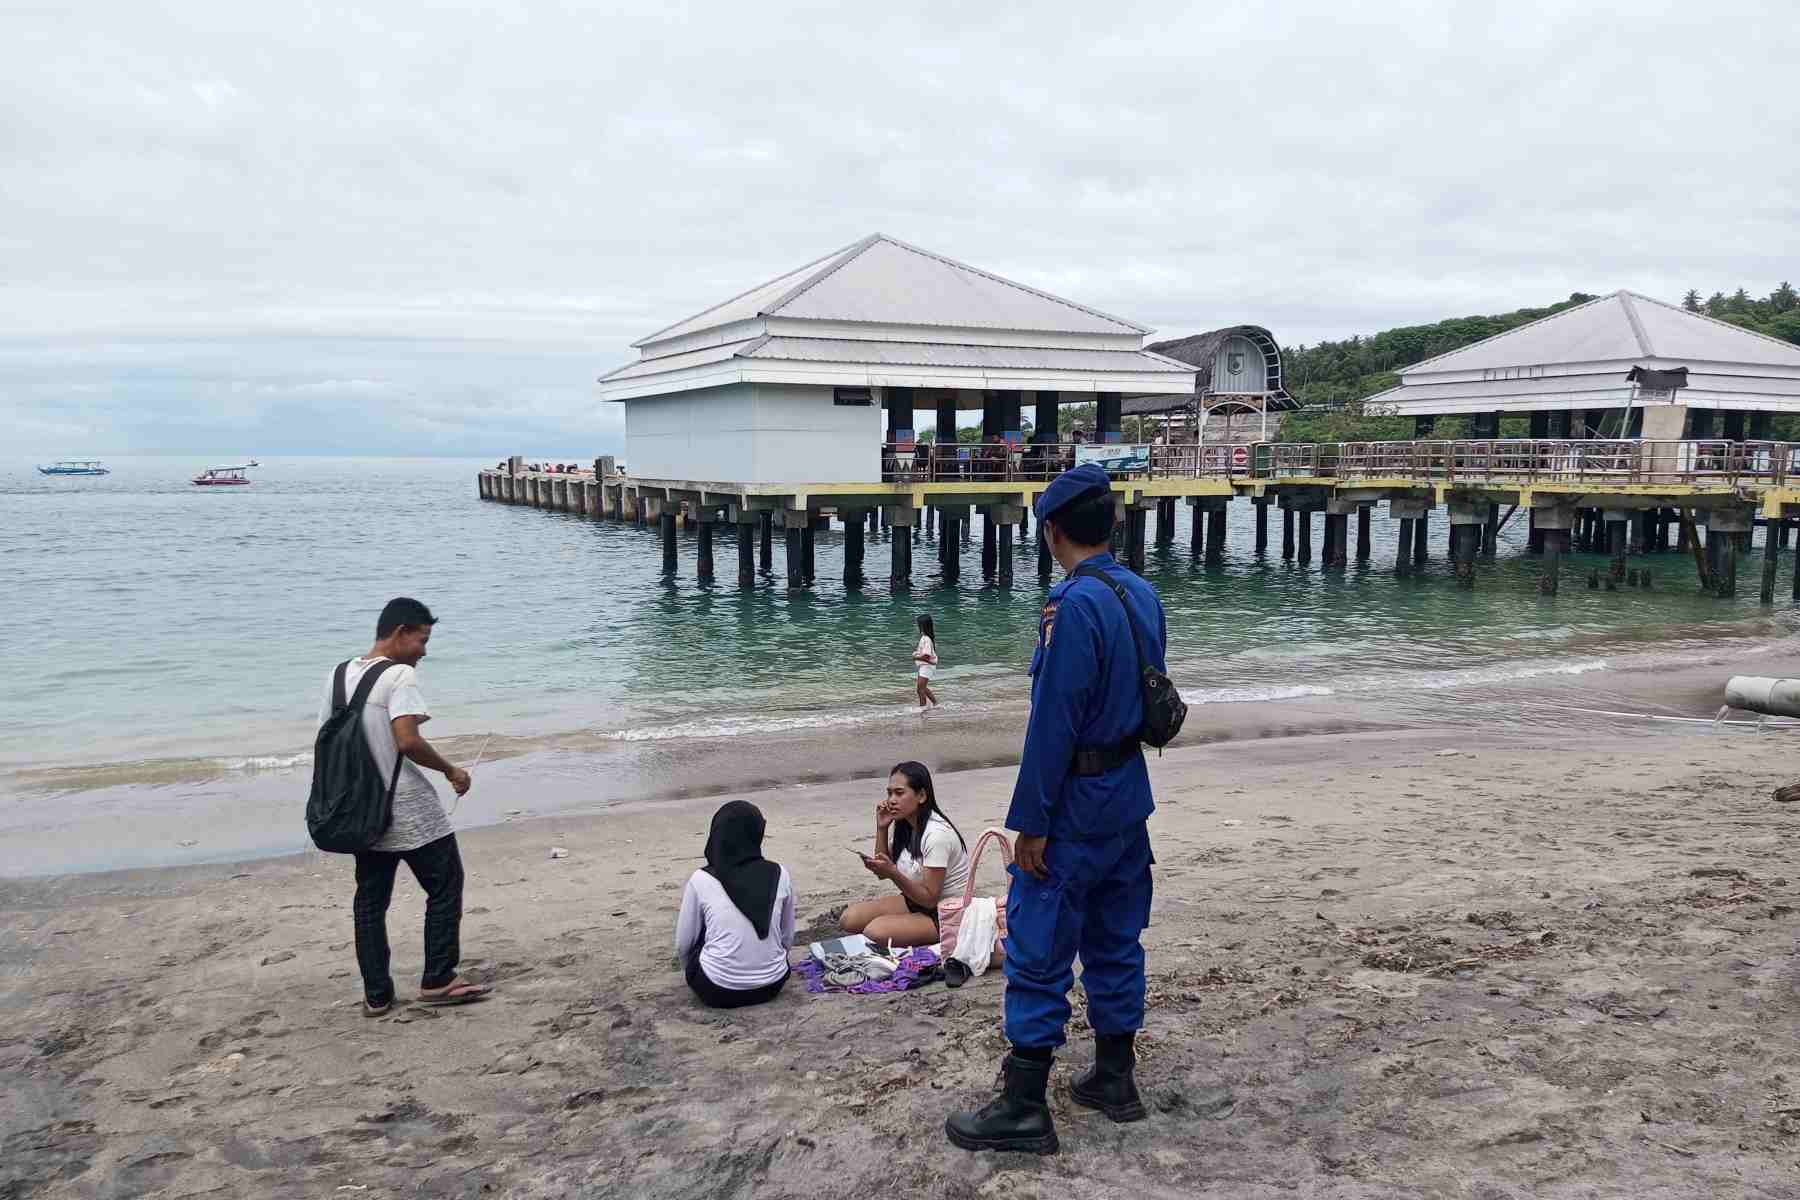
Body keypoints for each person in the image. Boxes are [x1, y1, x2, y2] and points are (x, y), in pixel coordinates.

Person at [946, 463, 1163, 1155]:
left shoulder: (1070, 607)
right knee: (1116, 937)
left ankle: (1024, 1105)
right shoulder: (1140, 593)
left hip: (1074, 803)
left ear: (1052, 531)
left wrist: (1031, 823)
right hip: (1127, 794)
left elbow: (1052, 727)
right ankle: (1115, 1079)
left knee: (1039, 946)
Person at [321, 597, 488, 1016]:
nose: (424, 651)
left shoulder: (338, 675)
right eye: (422, 640)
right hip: (405, 806)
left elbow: (328, 742)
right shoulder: (399, 676)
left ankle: (377, 995)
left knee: (370, 900)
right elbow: (408, 741)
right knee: (445, 883)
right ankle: (438, 978)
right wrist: (451, 770)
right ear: (400, 633)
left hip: (361, 807)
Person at [674, 801, 794, 1008]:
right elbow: (787, 936)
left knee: (705, 930)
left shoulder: (701, 878)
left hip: (717, 990)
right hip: (773, 984)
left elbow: (683, 944)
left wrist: (691, 969)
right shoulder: (780, 873)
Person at [840, 762, 968, 948]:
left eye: (899, 793)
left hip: (945, 912)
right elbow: (882, 872)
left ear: (921, 796)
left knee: (874, 932)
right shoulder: (906, 826)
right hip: (915, 899)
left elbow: (930, 899)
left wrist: (893, 873)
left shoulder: (936, 835)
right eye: (889, 793)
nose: (892, 800)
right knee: (849, 918)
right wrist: (882, 828)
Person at [912, 614, 940, 709]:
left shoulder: (926, 639)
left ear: (923, 626)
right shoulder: (925, 638)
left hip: (927, 666)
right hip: (925, 666)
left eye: (918, 625)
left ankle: (922, 708)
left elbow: (926, 656)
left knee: (920, 689)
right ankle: (936, 703)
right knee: (922, 688)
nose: (917, 626)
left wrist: (916, 657)